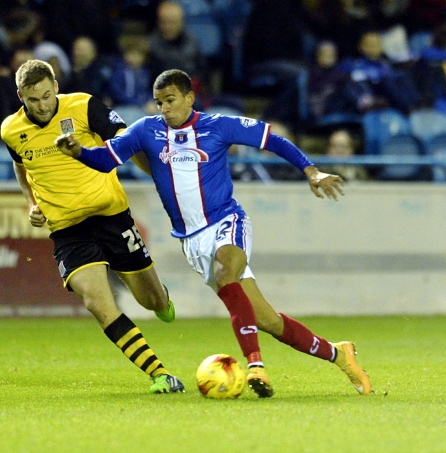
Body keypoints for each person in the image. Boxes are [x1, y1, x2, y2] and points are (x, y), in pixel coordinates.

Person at [55, 69, 372, 398]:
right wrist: (79, 152)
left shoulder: (218, 125)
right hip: (192, 241)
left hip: (226, 221)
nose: (164, 108)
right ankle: (339, 354)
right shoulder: (146, 130)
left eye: (170, 100)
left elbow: (271, 139)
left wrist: (312, 170)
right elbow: (106, 159)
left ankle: (255, 366)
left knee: (225, 273)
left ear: (189, 98)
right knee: (266, 319)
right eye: (159, 102)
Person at [0, 59, 184, 394]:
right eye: (32, 100)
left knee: (152, 302)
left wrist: (160, 178)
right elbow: (21, 167)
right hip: (68, 230)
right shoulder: (11, 130)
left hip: (110, 215)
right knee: (97, 302)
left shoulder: (83, 106)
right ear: (20, 97)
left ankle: (161, 300)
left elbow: (127, 140)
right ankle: (160, 374)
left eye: (45, 96)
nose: (41, 105)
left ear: (55, 86)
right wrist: (31, 203)